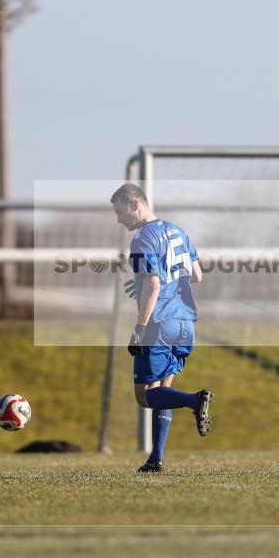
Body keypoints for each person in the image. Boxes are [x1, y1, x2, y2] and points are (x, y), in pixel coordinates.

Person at [111, 183, 212, 473]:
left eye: (120, 212)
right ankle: (156, 459)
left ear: (135, 204)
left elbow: (154, 284)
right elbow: (197, 275)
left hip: (158, 324)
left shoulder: (142, 239)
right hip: (185, 324)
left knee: (145, 396)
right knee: (164, 387)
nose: (119, 220)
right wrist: (152, 283)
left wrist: (140, 328)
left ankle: (196, 400)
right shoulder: (178, 231)